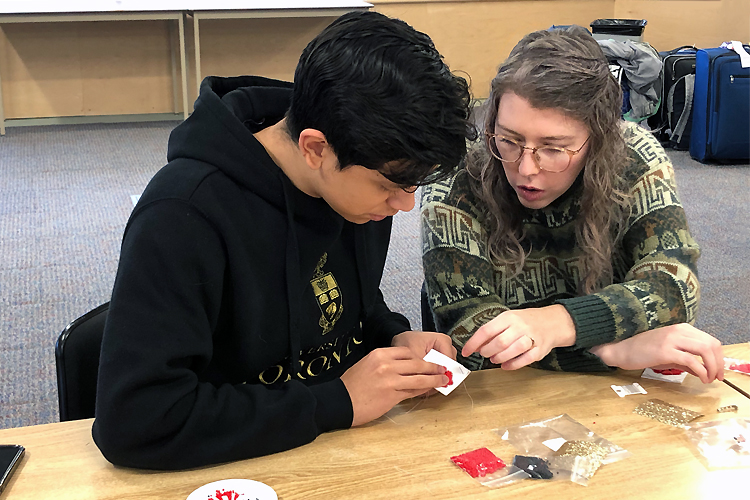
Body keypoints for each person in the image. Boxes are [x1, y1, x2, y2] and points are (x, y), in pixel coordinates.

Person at [93, 11, 475, 470]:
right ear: (315, 148)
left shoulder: (360, 186)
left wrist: (393, 335)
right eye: (393, 184)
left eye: (414, 184)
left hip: (337, 451)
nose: (405, 204)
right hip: (226, 469)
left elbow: (343, 301)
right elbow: (136, 421)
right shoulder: (182, 214)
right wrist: (334, 402)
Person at [421, 26, 724, 384]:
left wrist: (560, 323)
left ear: (598, 142)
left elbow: (675, 284)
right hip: (503, 395)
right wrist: (611, 352)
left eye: (553, 148)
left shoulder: (634, 156)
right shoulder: (456, 180)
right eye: (508, 140)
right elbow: (471, 337)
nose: (526, 168)